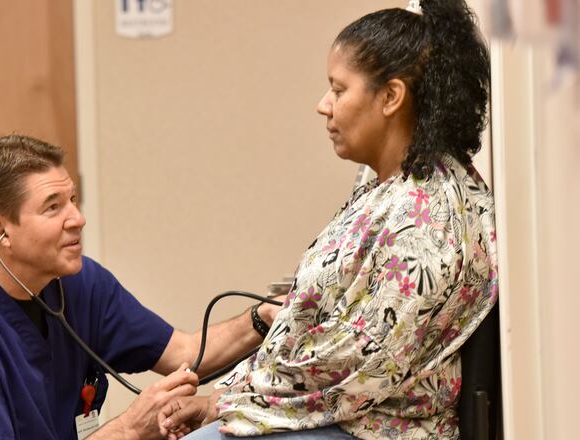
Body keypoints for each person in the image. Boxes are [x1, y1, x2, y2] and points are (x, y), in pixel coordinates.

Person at [158, 0, 497, 439]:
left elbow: (357, 360)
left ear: (391, 97)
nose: (324, 105)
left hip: (368, 426)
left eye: (339, 90)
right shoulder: (394, 186)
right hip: (338, 413)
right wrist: (230, 395)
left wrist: (226, 400)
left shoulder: (427, 219)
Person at [0, 134, 281, 440]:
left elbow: (184, 353)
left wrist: (263, 317)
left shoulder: (79, 284)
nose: (77, 219)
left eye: (73, 199)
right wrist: (127, 429)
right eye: (53, 207)